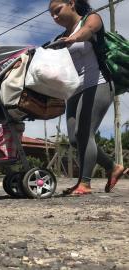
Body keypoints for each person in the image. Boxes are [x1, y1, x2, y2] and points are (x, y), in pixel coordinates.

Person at [49, 0, 128, 195]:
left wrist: (74, 38)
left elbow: (89, 30)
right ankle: (113, 167)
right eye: (52, 15)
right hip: (75, 89)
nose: (55, 17)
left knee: (85, 133)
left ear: (71, 4)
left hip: (99, 82)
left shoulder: (91, 18)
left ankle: (84, 183)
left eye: (57, 11)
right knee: (75, 139)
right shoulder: (60, 37)